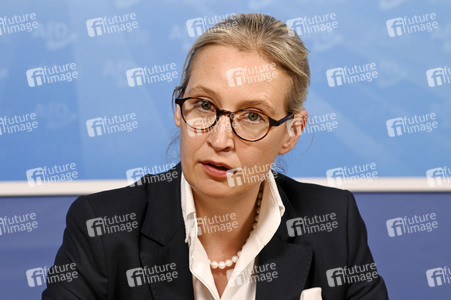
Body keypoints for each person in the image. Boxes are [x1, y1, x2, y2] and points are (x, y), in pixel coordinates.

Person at [43, 13, 388, 299]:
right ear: (178, 108)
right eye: (204, 106)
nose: (220, 139)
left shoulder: (334, 222)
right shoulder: (100, 229)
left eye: (253, 115)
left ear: (292, 132)